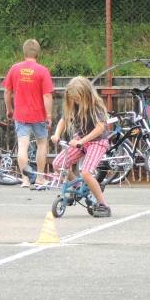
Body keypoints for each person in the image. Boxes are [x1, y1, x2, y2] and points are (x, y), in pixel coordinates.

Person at [50, 77, 112, 217]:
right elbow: (64, 120)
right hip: (81, 140)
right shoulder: (73, 105)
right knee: (58, 164)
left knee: (86, 172)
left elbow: (100, 128)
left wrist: (82, 141)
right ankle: (77, 186)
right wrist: (56, 134)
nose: (75, 101)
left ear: (86, 94)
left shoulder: (96, 106)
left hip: (97, 141)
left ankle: (103, 205)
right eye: (73, 99)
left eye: (77, 98)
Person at [2, 39, 54, 188]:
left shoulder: (14, 69)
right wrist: (49, 115)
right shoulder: (42, 71)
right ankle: (39, 178)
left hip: (21, 115)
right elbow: (47, 95)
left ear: (24, 52)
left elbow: (7, 91)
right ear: (38, 53)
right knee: (42, 144)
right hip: (39, 115)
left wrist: (9, 109)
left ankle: (25, 180)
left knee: (22, 146)